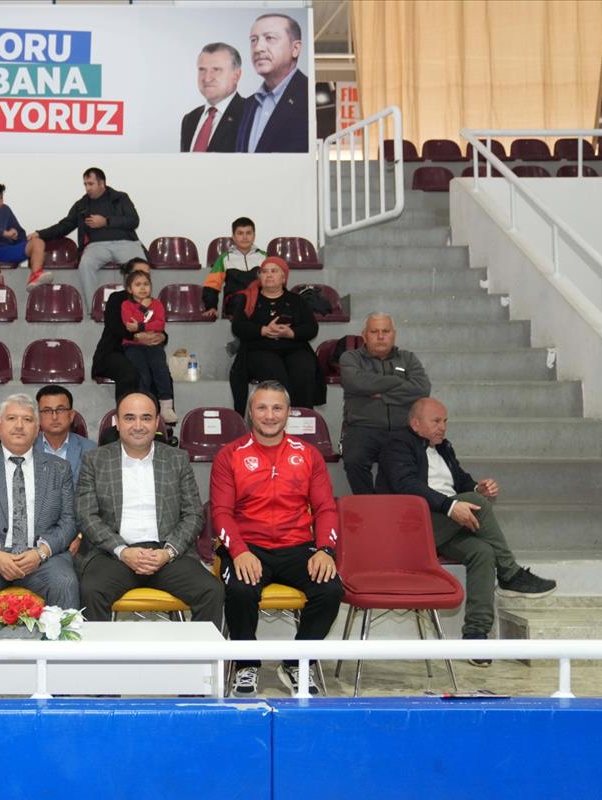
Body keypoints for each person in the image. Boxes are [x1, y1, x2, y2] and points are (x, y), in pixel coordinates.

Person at [378, 398, 556, 665]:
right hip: (410, 528)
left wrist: (476, 489)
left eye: (445, 421)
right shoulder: (397, 445)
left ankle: (475, 635)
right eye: (436, 421)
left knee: (482, 552)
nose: (442, 427)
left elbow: (460, 481)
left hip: (441, 526)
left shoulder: (444, 448)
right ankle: (510, 573)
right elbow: (407, 485)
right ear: (415, 424)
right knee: (478, 505)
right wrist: (451, 506)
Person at [211, 382, 342, 697]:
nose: (269, 415)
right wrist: (239, 551)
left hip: (297, 547)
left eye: (277, 408)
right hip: (247, 546)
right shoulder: (230, 455)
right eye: (262, 408)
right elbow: (221, 513)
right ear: (250, 412)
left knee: (331, 589)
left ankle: (297, 661)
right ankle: (246, 665)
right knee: (240, 590)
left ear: (288, 412)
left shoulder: (308, 454)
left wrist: (325, 549)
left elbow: (326, 508)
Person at [75, 392, 224, 625]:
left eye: (145, 418)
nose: (138, 426)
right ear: (117, 422)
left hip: (167, 553)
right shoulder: (95, 460)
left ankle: (196, 651)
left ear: (156, 423)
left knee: (211, 590)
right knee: (91, 590)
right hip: (113, 554)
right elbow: (87, 515)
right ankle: (102, 651)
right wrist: (123, 551)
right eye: (129, 418)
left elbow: (193, 514)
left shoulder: (177, 459)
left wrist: (168, 552)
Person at [0, 393, 79, 610]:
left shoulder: (59, 468)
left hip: (41, 559)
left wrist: (40, 553)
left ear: (37, 429)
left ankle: (64, 636)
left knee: (65, 583)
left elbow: (69, 521)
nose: (19, 425)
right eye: (11, 418)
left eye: (27, 420)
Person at [340, 312, 431, 494]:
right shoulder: (350, 358)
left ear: (394, 334)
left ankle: (402, 507)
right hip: (362, 427)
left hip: (402, 429)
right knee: (353, 460)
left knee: (411, 466)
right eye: (374, 332)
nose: (381, 336)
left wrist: (381, 393)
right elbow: (357, 383)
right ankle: (369, 505)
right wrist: (398, 381)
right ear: (364, 335)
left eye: (386, 331)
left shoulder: (408, 358)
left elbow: (422, 389)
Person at [30, 167, 145, 304]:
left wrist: (106, 221)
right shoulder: (82, 205)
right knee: (85, 264)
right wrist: (40, 234)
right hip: (97, 246)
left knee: (140, 266)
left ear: (102, 183)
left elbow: (133, 221)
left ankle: (138, 308)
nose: (87, 188)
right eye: (85, 184)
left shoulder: (120, 198)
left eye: (91, 184)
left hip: (126, 243)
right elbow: (64, 225)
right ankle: (93, 308)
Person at [227, 256, 320, 414]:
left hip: (294, 347)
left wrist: (290, 333)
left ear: (283, 277)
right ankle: (279, 417)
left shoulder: (296, 300)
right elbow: (238, 327)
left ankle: (302, 418)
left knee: (304, 368)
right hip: (259, 349)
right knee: (275, 373)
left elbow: (312, 328)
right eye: (264, 271)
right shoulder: (248, 298)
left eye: (274, 271)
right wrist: (263, 330)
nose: (268, 275)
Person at [235, 14, 309, 154]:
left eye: (269, 38)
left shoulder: (309, 96)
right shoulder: (248, 105)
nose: (258, 48)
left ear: (295, 49)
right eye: (253, 40)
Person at [92, 258, 164, 399]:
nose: (143, 278)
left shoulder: (152, 302)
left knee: (161, 372)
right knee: (130, 373)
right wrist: (136, 337)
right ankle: (127, 411)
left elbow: (158, 325)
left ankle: (162, 411)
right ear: (127, 278)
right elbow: (115, 326)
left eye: (147, 275)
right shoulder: (116, 298)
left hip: (143, 351)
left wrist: (162, 337)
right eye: (138, 272)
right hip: (114, 352)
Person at [0, 179, 51, 288]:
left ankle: (35, 277)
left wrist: (17, 237)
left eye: (1, 198)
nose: (0, 202)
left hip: (2, 250)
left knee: (37, 242)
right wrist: (4, 233)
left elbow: (20, 234)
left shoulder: (5, 210)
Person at [121, 270, 178, 424]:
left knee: (161, 369)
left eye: (146, 284)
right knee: (142, 375)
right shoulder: (126, 305)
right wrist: (143, 309)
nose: (142, 288)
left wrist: (140, 327)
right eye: (138, 284)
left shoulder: (157, 304)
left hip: (154, 345)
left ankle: (166, 406)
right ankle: (144, 408)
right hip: (133, 347)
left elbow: (160, 324)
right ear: (129, 289)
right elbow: (130, 325)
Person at [180, 42, 245, 153]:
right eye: (202, 70)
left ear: (236, 76)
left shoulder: (249, 114)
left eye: (216, 69)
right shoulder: (189, 119)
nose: (207, 78)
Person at [202, 216, 268, 319]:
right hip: (235, 302)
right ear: (233, 237)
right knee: (242, 299)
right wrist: (211, 307)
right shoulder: (224, 258)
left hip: (258, 301)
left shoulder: (264, 257)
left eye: (248, 233)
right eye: (240, 233)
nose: (245, 237)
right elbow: (212, 286)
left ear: (254, 236)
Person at [33, 384, 96, 487]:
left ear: (71, 415)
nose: (54, 417)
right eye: (47, 411)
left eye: (60, 410)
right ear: (39, 416)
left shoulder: (91, 450)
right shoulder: (27, 448)